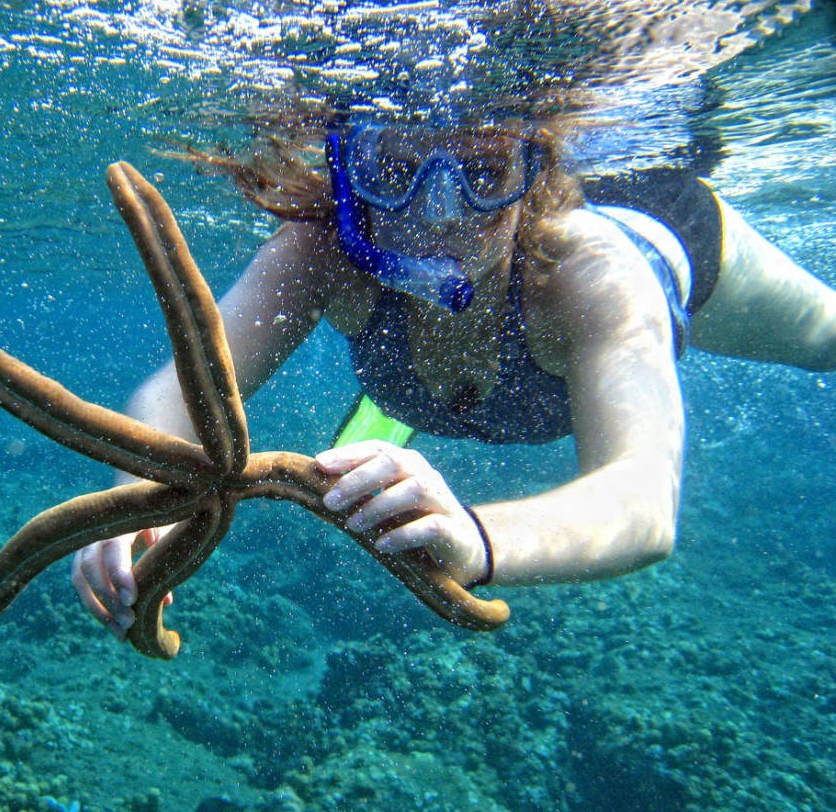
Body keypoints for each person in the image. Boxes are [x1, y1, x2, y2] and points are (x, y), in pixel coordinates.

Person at [71, 109, 836, 640]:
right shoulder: (323, 252)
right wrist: (138, 495)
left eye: (483, 173)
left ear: (532, 174)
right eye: (396, 173)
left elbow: (643, 497)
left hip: (668, 232)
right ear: (351, 174)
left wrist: (477, 535)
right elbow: (178, 389)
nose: (439, 215)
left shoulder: (588, 275)